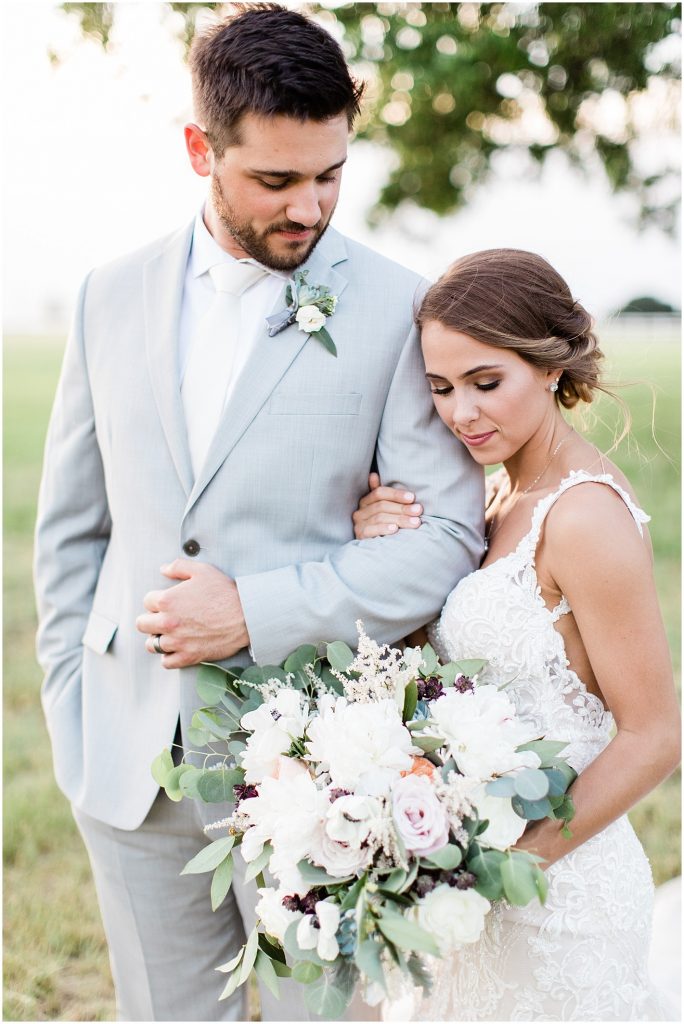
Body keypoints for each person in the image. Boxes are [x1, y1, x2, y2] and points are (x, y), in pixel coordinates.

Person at [32, 5, 484, 1022]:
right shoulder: (110, 294)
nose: (312, 207)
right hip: (128, 763)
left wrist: (256, 611)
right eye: (277, 180)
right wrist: (74, 707)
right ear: (200, 149)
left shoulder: (394, 308)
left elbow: (451, 538)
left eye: (331, 174)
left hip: (320, 770)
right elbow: (71, 530)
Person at [354, 248, 681, 1021]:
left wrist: (506, 867)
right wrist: (379, 544)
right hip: (471, 879)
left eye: (485, 383)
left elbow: (654, 735)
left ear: (549, 366)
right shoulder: (498, 498)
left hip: (561, 897)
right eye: (440, 387)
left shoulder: (584, 516)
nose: (461, 413)